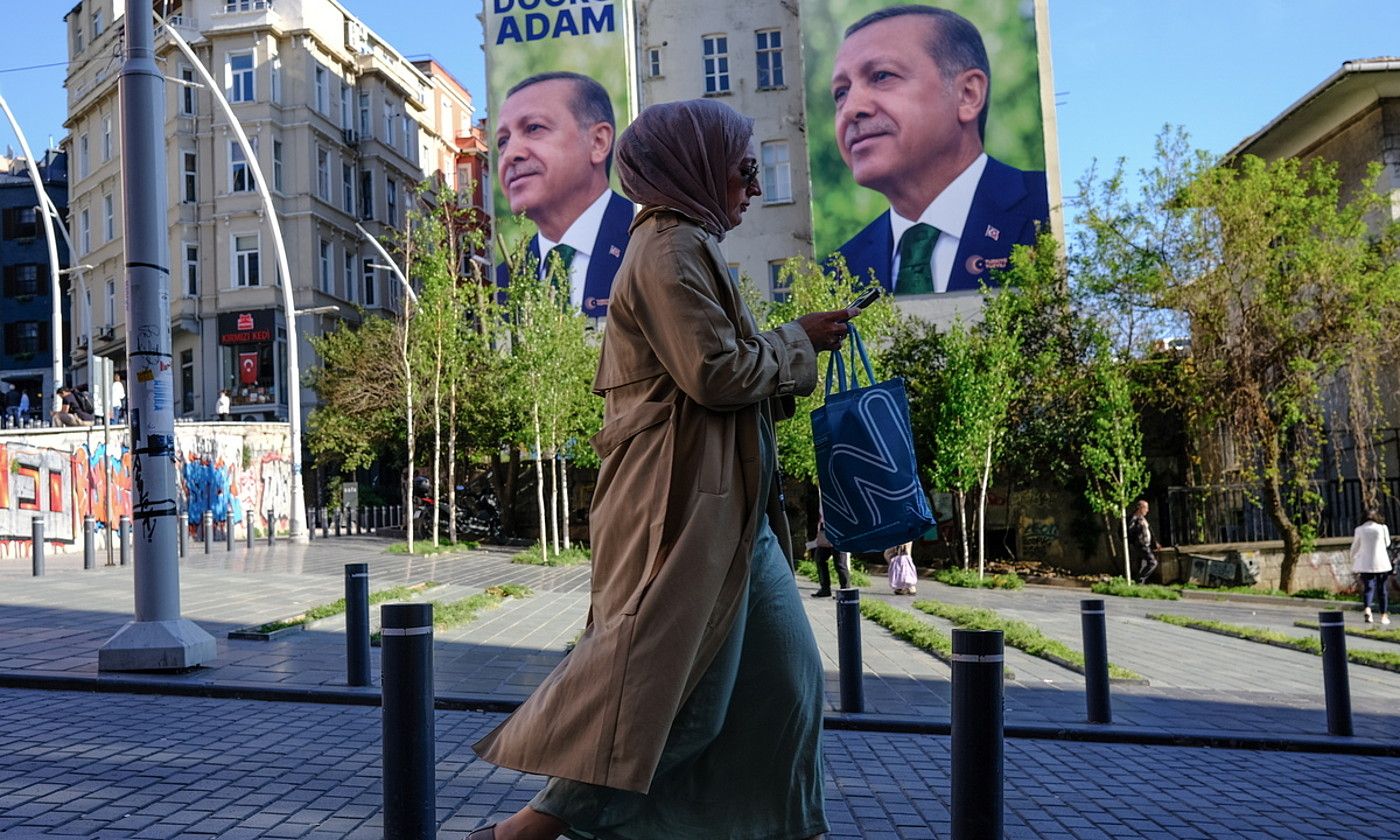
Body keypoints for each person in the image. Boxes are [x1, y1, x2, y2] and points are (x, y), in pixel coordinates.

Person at [469, 98, 854, 840]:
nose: (750, 188)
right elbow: (713, 374)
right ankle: (525, 834)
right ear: (695, 168)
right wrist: (796, 341)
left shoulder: (689, 246)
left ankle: (786, 828)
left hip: (727, 512)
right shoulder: (669, 248)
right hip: (684, 514)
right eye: (742, 171)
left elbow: (716, 386)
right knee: (675, 698)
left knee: (780, 692)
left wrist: (789, 353)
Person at [830, 4, 1049, 295]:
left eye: (882, 76)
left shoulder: (1053, 210)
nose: (851, 109)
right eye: (841, 93)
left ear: (968, 95)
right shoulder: (834, 274)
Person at [494, 71, 634, 318]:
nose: (510, 154)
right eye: (503, 141)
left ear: (598, 142)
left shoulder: (646, 244)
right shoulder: (503, 280)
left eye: (534, 128)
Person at [1350, 510, 1392, 625]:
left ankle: (1368, 610)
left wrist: (1352, 557)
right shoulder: (1383, 528)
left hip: (1366, 564)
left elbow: (1355, 546)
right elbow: (1387, 543)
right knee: (1382, 590)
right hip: (1382, 563)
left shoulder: (1359, 530)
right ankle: (1383, 616)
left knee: (1368, 588)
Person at [808, 510, 851, 597]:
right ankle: (825, 589)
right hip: (825, 530)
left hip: (839, 531)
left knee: (840, 564)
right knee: (820, 558)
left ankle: (845, 591)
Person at [1127, 499, 1159, 584]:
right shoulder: (1134, 518)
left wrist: (1155, 542)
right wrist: (1139, 525)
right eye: (1145, 508)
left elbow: (1149, 531)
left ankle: (1139, 583)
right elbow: (1130, 531)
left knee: (1142, 565)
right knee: (1153, 562)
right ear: (1139, 508)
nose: (1147, 510)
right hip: (1141, 545)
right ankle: (1139, 579)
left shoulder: (1142, 518)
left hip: (1146, 544)